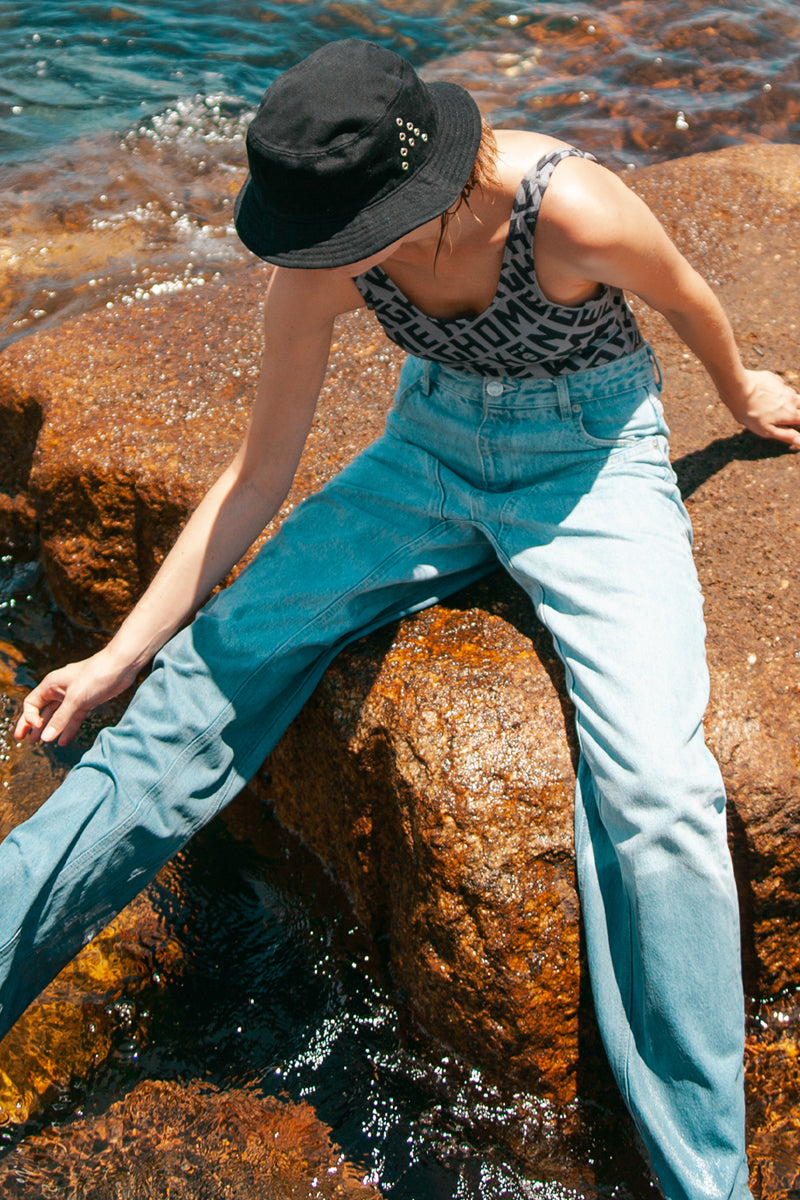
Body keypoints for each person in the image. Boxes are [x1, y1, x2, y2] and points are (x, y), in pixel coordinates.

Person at [3, 37, 799, 1198]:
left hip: (591, 466)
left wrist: (744, 394)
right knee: (198, 681)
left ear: (415, 187)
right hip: (424, 458)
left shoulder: (571, 208)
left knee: (655, 789)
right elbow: (255, 472)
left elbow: (686, 297)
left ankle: (702, 1179)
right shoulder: (327, 256)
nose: (315, 257)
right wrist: (122, 654)